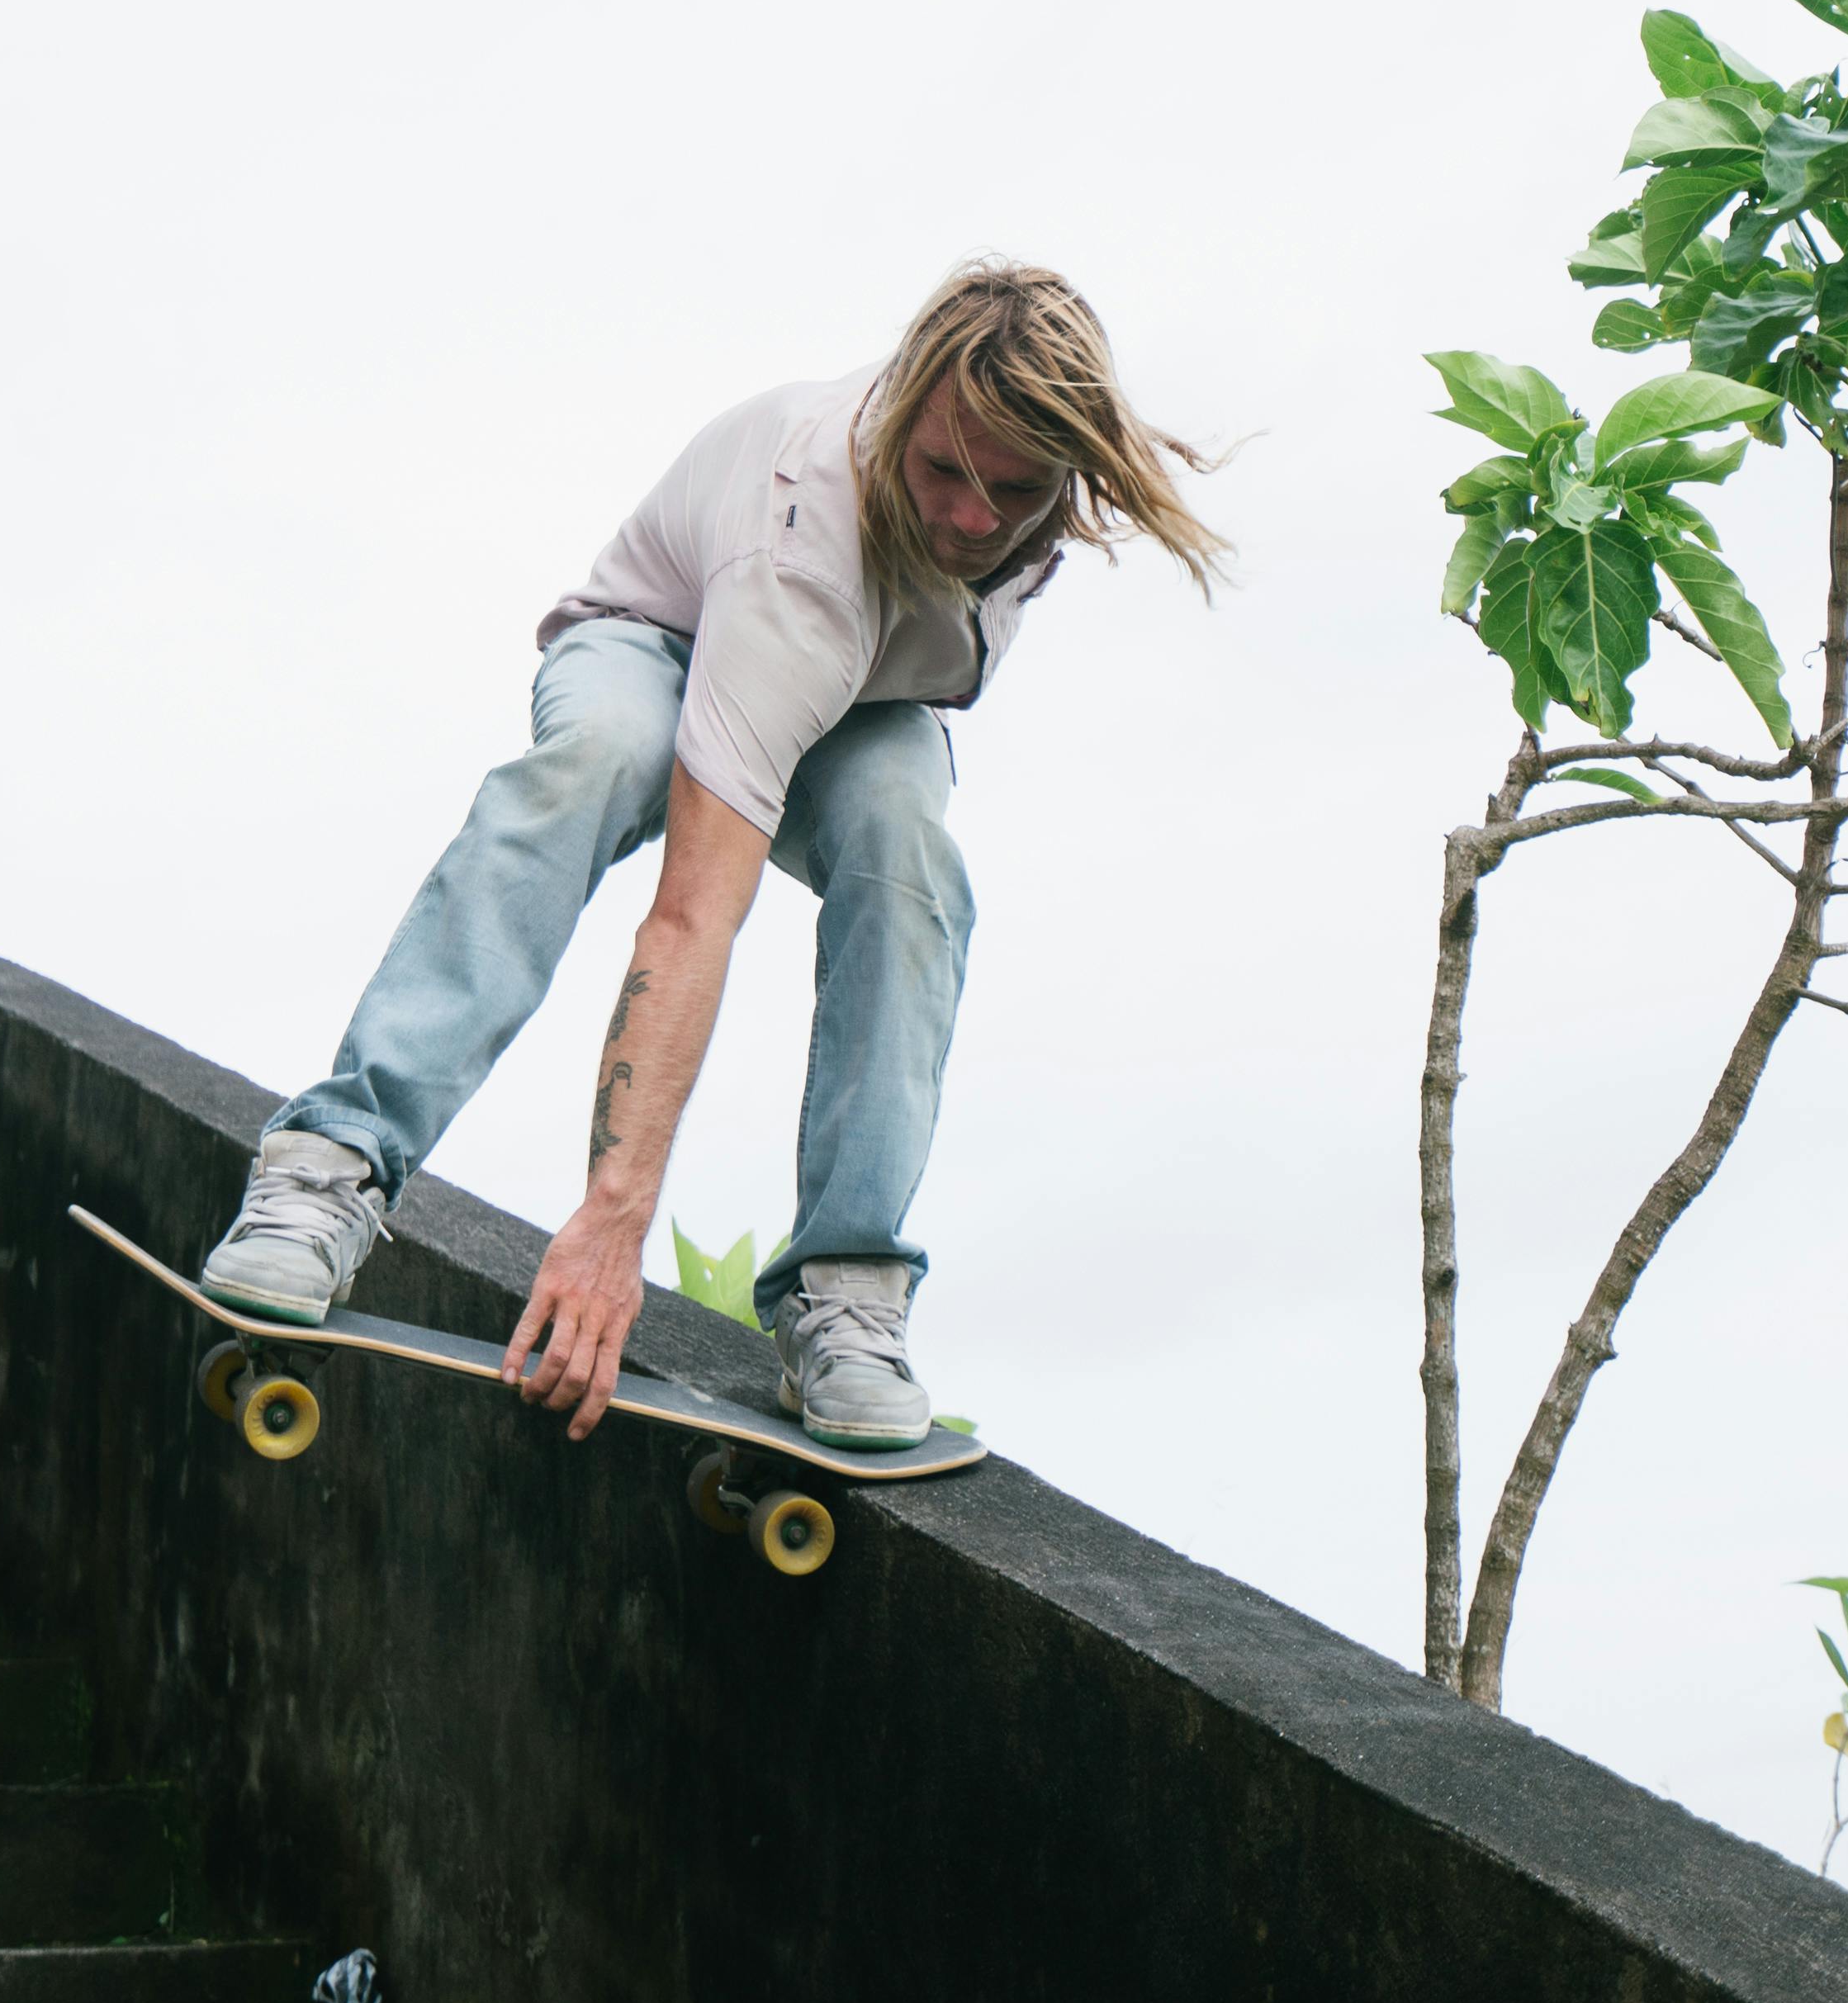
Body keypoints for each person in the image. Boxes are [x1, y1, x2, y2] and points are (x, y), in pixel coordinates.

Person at [201, 262, 1225, 1448]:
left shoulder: (1027, 500)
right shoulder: (802, 545)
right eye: (942, 471)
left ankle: (847, 1292)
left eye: (1014, 490)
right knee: (594, 761)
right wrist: (609, 1223)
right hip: (660, 643)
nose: (969, 521)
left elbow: (958, 562)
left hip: (851, 700)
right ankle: (329, 1167)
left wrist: (1001, 500)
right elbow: (691, 917)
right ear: (900, 413)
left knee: (907, 849)